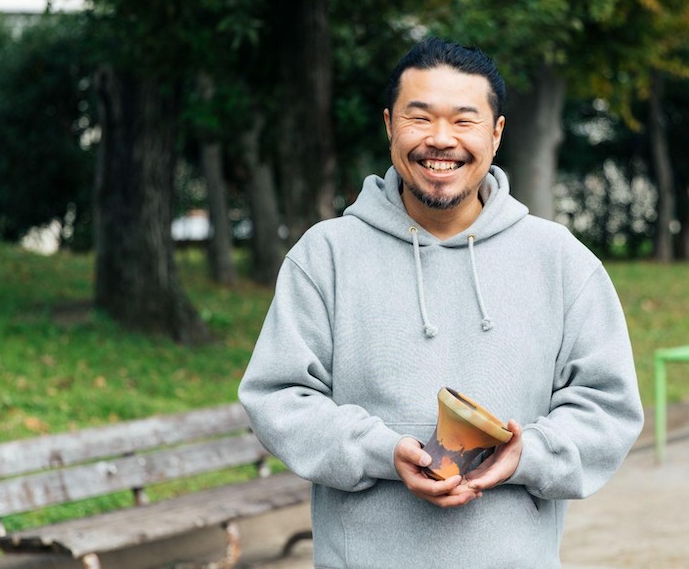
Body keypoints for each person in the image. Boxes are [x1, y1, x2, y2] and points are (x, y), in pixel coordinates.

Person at [238, 37, 643, 568]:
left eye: (464, 121)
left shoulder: (560, 260)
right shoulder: (327, 255)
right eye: (420, 118)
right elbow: (278, 397)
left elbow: (607, 406)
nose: (440, 140)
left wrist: (529, 454)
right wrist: (381, 451)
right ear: (389, 126)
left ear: (496, 134)